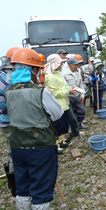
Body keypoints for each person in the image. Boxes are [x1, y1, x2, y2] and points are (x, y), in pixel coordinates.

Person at [5, 48, 63, 209]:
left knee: (23, 186)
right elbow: (57, 114)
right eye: (37, 69)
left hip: (17, 146)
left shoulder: (8, 92)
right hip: (40, 147)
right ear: (33, 70)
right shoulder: (41, 92)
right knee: (41, 188)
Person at [44, 54, 80, 151]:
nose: (62, 65)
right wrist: (68, 91)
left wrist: (69, 88)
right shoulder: (49, 77)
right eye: (60, 63)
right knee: (58, 126)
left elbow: (62, 87)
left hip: (64, 103)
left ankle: (61, 140)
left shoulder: (58, 73)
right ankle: (57, 145)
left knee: (64, 125)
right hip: (57, 105)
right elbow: (53, 93)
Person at [0, 47, 19, 197]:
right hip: (12, 120)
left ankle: (15, 184)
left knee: (13, 149)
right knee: (17, 151)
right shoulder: (9, 77)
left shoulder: (3, 75)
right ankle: (16, 184)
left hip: (6, 121)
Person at [62, 54, 86, 129]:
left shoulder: (77, 73)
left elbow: (81, 84)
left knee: (82, 111)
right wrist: (69, 90)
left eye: (77, 65)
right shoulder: (64, 74)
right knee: (71, 114)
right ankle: (73, 128)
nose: (77, 66)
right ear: (70, 65)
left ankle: (79, 123)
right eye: (75, 65)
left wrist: (82, 95)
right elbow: (63, 87)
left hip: (77, 96)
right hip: (69, 97)